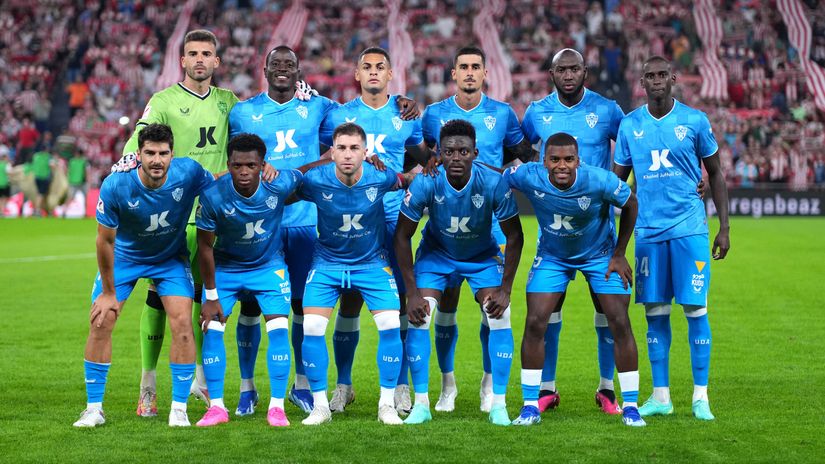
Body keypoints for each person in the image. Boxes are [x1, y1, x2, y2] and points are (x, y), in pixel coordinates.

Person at [227, 45, 419, 415]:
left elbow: (374, 132)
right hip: (261, 221)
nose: (283, 69)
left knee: (306, 308)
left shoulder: (322, 107)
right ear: (264, 69)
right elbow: (232, 158)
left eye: (290, 64)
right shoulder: (242, 112)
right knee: (250, 307)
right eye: (276, 64)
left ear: (299, 71)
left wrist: (400, 101)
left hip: (307, 222)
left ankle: (305, 385)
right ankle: (247, 388)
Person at [118, 29, 240, 415]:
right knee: (159, 298)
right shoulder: (163, 101)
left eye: (206, 53)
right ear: (182, 60)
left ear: (216, 61)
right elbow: (139, 140)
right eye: (193, 53)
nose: (200, 59)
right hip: (172, 218)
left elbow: (259, 123)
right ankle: (148, 384)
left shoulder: (229, 101)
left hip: (215, 218)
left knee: (206, 300)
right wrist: (127, 161)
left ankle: (200, 381)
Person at [73, 123, 214, 428]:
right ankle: (93, 409)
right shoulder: (116, 185)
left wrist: (259, 175)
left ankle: (179, 409)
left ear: (172, 154)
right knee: (101, 320)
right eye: (150, 153)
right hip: (126, 258)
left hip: (169, 259)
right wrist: (108, 292)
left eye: (163, 153)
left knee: (182, 324)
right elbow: (104, 241)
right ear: (138, 154)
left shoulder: (189, 172)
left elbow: (219, 185)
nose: (156, 160)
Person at [613, 56, 730, 421]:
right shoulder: (630, 125)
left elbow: (716, 173)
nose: (657, 80)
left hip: (689, 230)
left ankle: (700, 397)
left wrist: (725, 227)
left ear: (673, 78)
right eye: (650, 76)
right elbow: (616, 183)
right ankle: (661, 396)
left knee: (696, 310)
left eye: (662, 74)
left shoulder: (695, 120)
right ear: (642, 83)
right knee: (655, 314)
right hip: (648, 233)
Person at [319, 47, 432, 415]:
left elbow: (425, 160)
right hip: (352, 220)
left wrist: (414, 177)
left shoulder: (406, 115)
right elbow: (324, 159)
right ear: (356, 74)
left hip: (394, 221)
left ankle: (400, 385)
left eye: (380, 67)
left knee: (401, 302)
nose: (372, 72)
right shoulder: (339, 115)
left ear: (390, 74)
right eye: (366, 66)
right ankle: (344, 385)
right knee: (349, 301)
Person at [419, 46, 533, 413]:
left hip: (492, 227)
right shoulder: (433, 114)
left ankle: (488, 382)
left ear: (485, 73)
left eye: (476, 67)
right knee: (446, 307)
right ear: (453, 73)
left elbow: (524, 156)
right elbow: (420, 155)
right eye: (463, 67)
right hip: (445, 225)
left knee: (492, 309)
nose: (470, 72)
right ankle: (447, 385)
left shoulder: (503, 113)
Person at [505, 132, 644, 427]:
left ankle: (631, 407)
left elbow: (631, 203)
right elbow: (498, 176)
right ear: (544, 162)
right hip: (553, 256)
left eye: (569, 159)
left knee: (619, 319)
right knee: (535, 321)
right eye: (555, 159)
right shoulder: (529, 175)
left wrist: (620, 253)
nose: (562, 166)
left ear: (578, 161)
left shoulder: (598, 180)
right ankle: (530, 406)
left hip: (599, 255)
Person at [394, 120, 524, 425]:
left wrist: (505, 289)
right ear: (439, 153)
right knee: (421, 316)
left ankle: (497, 402)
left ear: (475, 153)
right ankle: (425, 402)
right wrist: (412, 293)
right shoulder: (426, 181)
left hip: (481, 256)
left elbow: (515, 236)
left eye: (463, 151)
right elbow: (401, 236)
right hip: (437, 255)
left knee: (500, 315)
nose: (456, 157)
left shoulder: (493, 182)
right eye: (449, 151)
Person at [520, 48, 626, 415]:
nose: (568, 75)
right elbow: (520, 150)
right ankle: (546, 389)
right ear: (551, 74)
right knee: (548, 309)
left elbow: (630, 148)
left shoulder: (607, 110)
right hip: (554, 230)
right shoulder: (537, 112)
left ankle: (607, 388)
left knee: (606, 308)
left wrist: (613, 185)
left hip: (599, 230)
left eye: (574, 69)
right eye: (562, 69)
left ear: (585, 72)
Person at [298, 122, 416, 426]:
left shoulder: (380, 176)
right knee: (311, 326)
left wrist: (425, 169)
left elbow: (406, 180)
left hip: (372, 263)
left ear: (366, 152)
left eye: (354, 148)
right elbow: (283, 189)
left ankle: (386, 405)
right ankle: (320, 407)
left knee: (390, 323)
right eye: (341, 148)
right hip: (327, 263)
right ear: (332, 152)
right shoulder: (316, 180)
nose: (348, 154)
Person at [194, 134, 303, 427]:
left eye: (251, 166)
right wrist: (211, 295)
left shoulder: (278, 183)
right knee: (212, 330)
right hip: (227, 269)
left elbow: (306, 173)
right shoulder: (213, 196)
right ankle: (217, 408)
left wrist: (331, 157)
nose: (244, 172)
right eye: (237, 165)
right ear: (228, 165)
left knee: (278, 330)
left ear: (262, 165)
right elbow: (204, 247)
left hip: (268, 267)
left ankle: (277, 408)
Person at [30, 148, 54, 216]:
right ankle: (37, 210)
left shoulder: (36, 156)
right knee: (41, 194)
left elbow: (33, 164)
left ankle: (40, 210)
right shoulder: (48, 157)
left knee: (40, 194)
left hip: (36, 177)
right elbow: (52, 165)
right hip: (44, 178)